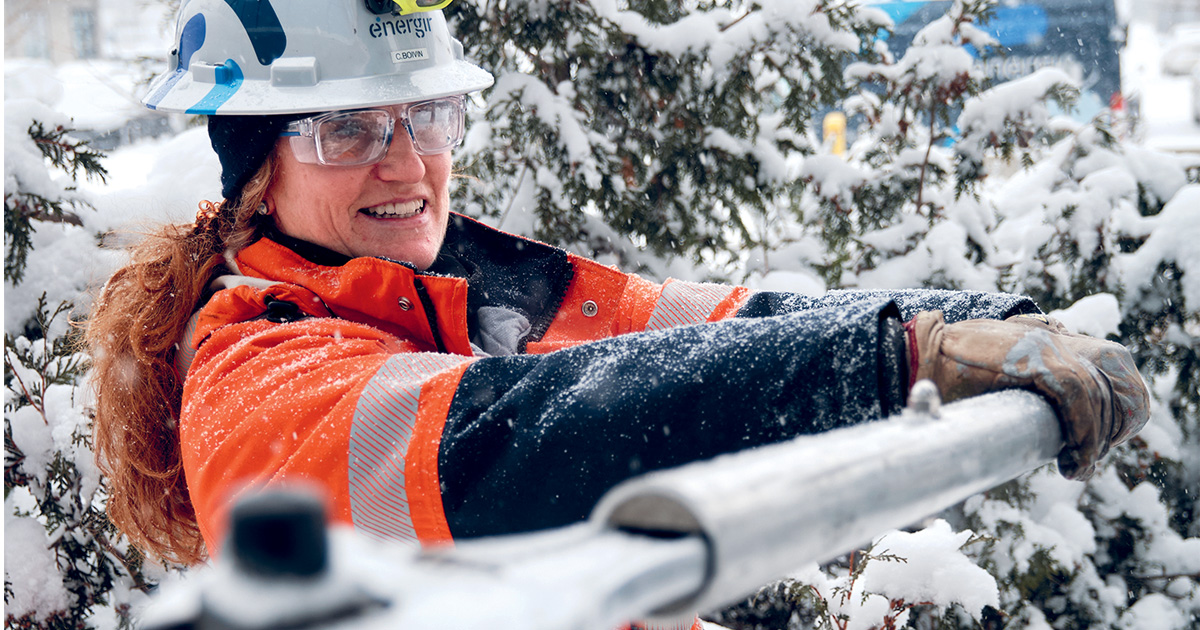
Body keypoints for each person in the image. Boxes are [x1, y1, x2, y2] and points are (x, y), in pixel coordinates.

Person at [86, 0, 1149, 579]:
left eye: (429, 117)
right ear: (256, 166)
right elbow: (532, 432)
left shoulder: (469, 289)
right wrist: (894, 362)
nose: (408, 166)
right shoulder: (255, 384)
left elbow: (720, 326)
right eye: (350, 130)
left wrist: (969, 328)